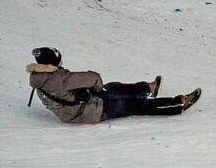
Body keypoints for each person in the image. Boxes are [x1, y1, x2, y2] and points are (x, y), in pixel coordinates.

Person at [26, 47, 201, 123]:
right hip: (86, 112)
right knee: (134, 106)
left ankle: (148, 88)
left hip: (75, 109)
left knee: (113, 87)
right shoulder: (60, 78)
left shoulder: (38, 77)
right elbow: (94, 78)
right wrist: (96, 91)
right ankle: (178, 104)